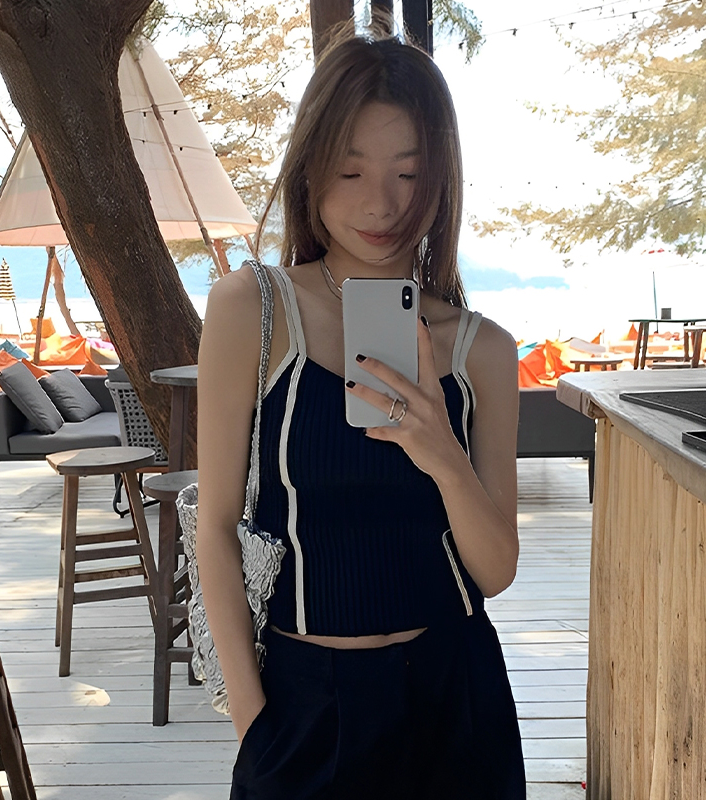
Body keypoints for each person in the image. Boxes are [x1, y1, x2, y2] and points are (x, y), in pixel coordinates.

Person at [197, 23, 525, 800]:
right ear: (309, 170)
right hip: (304, 705)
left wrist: (441, 452)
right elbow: (214, 526)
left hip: (456, 698)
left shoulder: (482, 349)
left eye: (409, 173)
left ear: (440, 181)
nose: (381, 203)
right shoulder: (253, 309)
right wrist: (254, 725)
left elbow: (495, 570)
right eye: (350, 170)